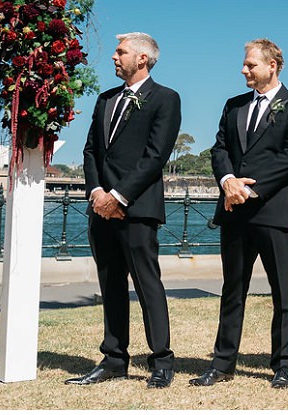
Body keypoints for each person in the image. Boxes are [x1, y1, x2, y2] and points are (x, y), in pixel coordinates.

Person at [189, 39, 288, 389]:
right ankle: (222, 363)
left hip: (274, 213)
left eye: (250, 65)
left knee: (284, 293)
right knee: (233, 291)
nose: (244, 70)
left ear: (273, 65)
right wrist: (228, 181)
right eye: (244, 65)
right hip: (234, 213)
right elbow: (220, 148)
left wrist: (248, 190)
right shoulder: (233, 105)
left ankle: (284, 364)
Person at [70, 32, 181, 389]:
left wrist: (119, 196)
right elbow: (90, 151)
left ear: (143, 59)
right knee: (110, 284)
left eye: (121, 52)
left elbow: (155, 155)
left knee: (148, 284)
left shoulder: (165, 99)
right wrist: (97, 193)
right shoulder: (105, 100)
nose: (114, 58)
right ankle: (114, 358)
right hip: (100, 209)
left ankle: (162, 360)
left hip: (138, 208)